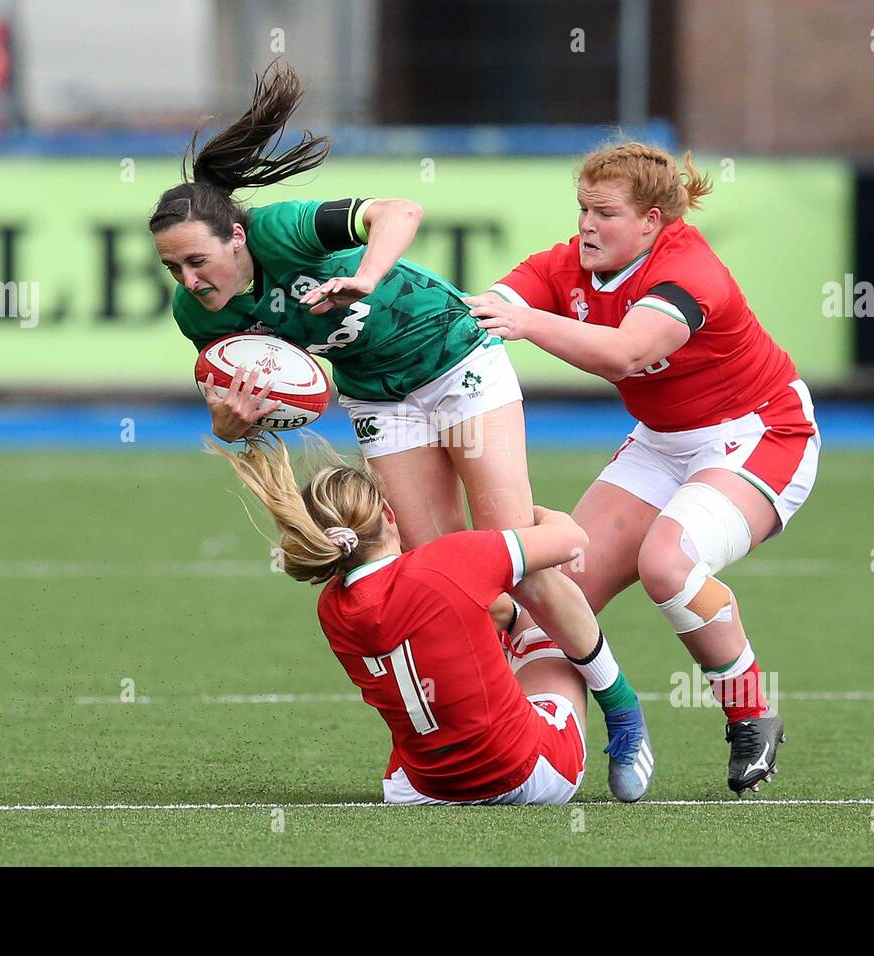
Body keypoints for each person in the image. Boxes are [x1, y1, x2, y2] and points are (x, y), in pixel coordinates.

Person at [148, 61, 653, 800]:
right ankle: (514, 705)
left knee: (509, 556)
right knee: (445, 571)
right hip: (381, 400)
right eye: (173, 269)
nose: (189, 280)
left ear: (236, 237)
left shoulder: (284, 232)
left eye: (197, 260)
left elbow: (400, 210)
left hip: (456, 359)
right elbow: (250, 402)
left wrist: (367, 275)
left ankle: (624, 710)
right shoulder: (200, 316)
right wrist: (231, 424)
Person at [467, 142, 820, 794]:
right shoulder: (569, 265)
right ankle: (539, 757)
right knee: (547, 601)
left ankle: (751, 713)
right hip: (662, 441)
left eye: (604, 212)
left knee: (669, 562)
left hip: (760, 434)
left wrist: (525, 323)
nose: (586, 226)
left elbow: (626, 354)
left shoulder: (690, 272)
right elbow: (483, 307)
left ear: (653, 221)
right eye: (582, 209)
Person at [211, 432, 594, 805]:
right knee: (536, 619)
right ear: (388, 514)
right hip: (531, 775)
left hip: (424, 789)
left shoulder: (330, 607)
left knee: (483, 624)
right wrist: (530, 518)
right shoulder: (450, 560)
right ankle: (622, 709)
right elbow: (573, 539)